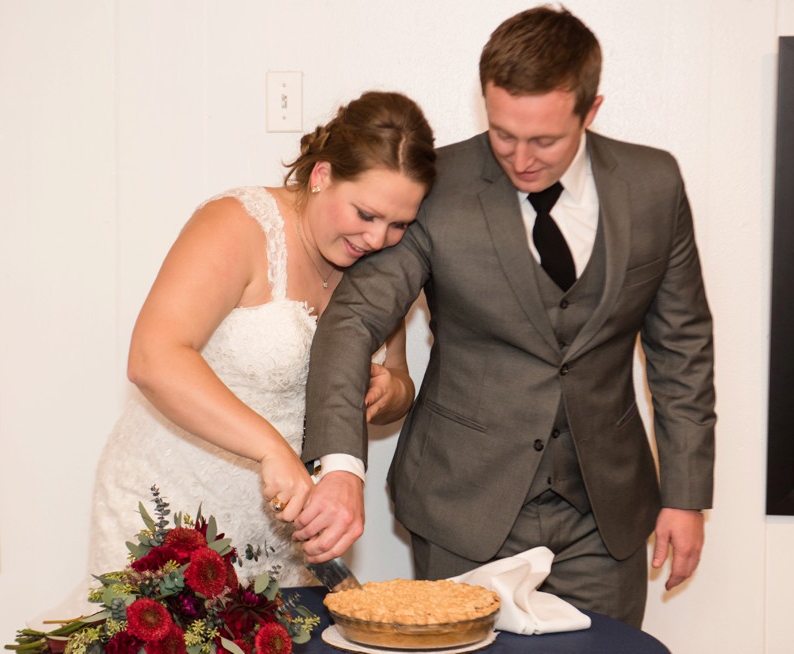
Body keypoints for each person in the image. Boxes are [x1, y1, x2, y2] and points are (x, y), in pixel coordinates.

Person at [296, 6, 715, 627]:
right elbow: (352, 320)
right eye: (502, 133)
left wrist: (685, 496)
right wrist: (340, 467)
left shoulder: (655, 183)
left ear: (590, 110)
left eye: (544, 139)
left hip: (607, 513)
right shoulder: (435, 185)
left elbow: (682, 348)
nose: (520, 159)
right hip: (462, 505)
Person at [86, 90, 436, 588]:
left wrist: (389, 391)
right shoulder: (239, 225)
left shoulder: (377, 264)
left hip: (279, 531)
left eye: (398, 224)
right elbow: (152, 358)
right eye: (365, 214)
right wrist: (271, 448)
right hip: (170, 507)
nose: (378, 239)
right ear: (322, 177)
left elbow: (399, 377)